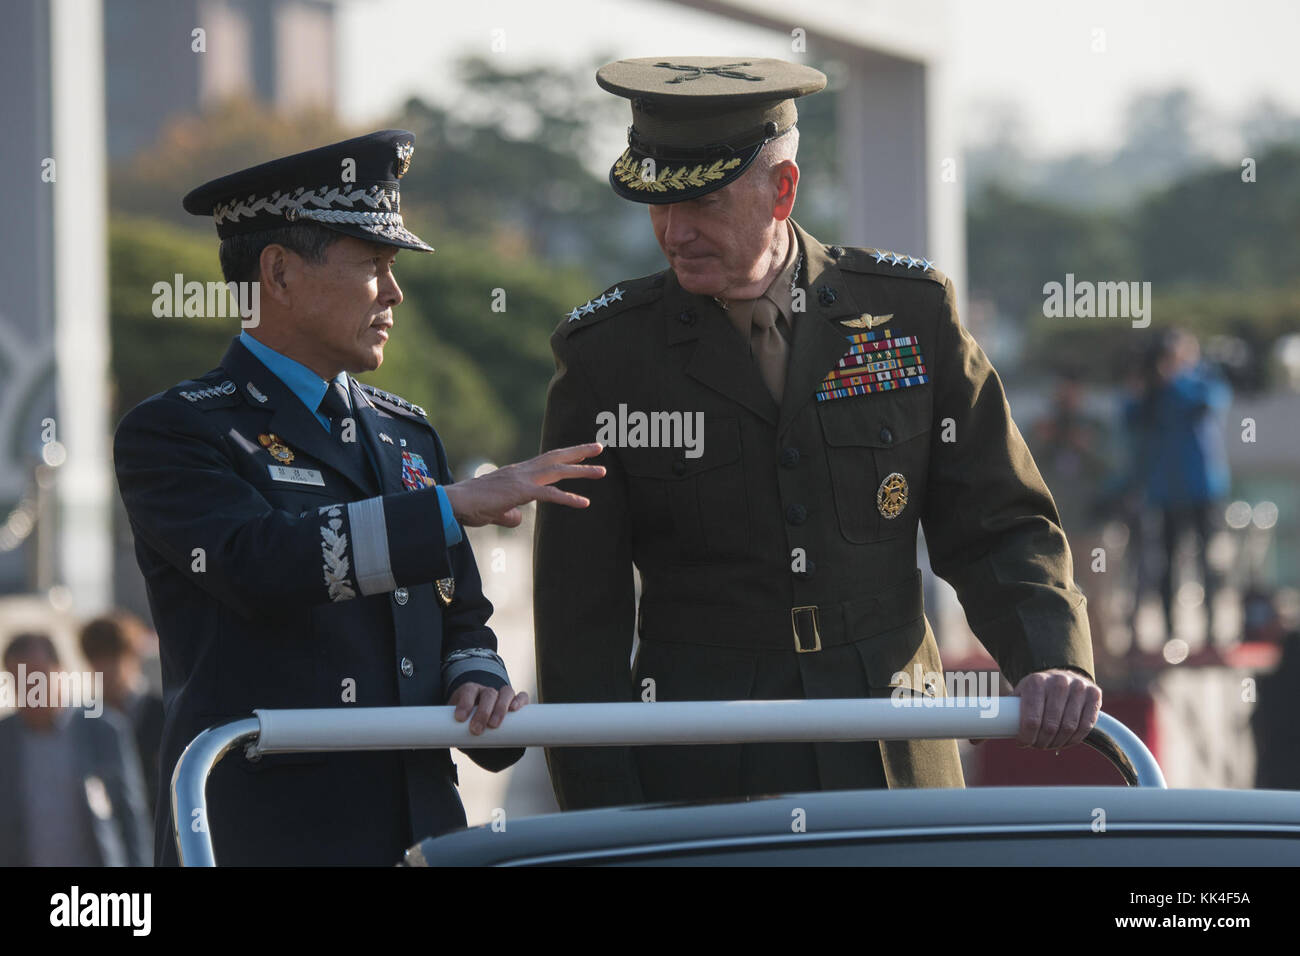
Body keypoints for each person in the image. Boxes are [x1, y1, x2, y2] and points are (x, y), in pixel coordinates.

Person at [533, 58, 1101, 809]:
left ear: (783, 189)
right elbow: (580, 614)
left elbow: (996, 519)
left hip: (892, 741)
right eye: (657, 205)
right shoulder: (609, 356)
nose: (674, 232)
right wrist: (602, 817)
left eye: (702, 203)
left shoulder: (910, 314)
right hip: (704, 769)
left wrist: (1051, 656)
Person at [114, 130, 605, 865]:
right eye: (374, 265)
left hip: (422, 829)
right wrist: (447, 507)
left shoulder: (408, 432)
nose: (395, 292)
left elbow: (457, 610)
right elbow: (257, 567)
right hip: (267, 833)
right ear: (277, 275)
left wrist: (475, 676)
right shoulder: (177, 429)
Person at [0, 633, 151, 866]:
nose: (30, 689)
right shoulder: (5, 739)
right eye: (20, 679)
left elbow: (131, 817)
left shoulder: (103, 730)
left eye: (37, 676)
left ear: (60, 672)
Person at [1123, 330, 1231, 645]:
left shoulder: (1202, 382)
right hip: (1164, 491)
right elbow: (1131, 417)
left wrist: (1173, 378)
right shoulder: (1151, 392)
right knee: (1164, 563)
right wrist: (1145, 386)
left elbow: (1210, 402)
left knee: (1208, 559)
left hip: (1202, 489)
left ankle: (1213, 630)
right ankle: (1170, 632)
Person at [79, 611, 165, 820]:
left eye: (113, 657)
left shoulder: (162, 713)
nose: (105, 668)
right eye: (96, 659)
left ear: (132, 656)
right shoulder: (87, 718)